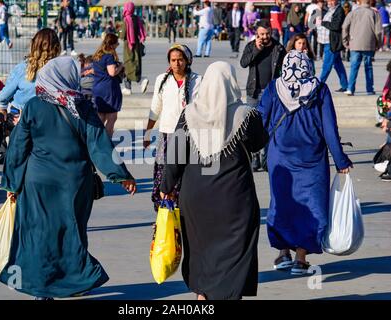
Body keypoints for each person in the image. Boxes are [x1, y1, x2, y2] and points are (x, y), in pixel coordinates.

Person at [0, 56, 136, 300]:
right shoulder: (82, 108)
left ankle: (43, 290)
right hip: (74, 185)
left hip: (38, 185)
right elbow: (100, 145)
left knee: (39, 236)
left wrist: (12, 183)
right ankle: (75, 282)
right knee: (71, 233)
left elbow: (18, 148)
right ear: (68, 78)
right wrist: (121, 175)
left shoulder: (33, 106)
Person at [160, 61, 268, 300]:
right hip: (234, 198)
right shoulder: (246, 114)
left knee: (200, 249)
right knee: (236, 250)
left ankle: (203, 296)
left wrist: (166, 187)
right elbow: (259, 142)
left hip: (195, 196)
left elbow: (175, 156)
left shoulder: (189, 113)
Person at [257, 51, 352, 275]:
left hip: (280, 158)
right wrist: (340, 159)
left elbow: (260, 120)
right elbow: (329, 129)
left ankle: (282, 253)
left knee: (282, 204)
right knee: (312, 206)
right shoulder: (319, 89)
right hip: (312, 159)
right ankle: (301, 257)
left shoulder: (274, 88)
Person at [143, 44, 201, 212]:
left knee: (185, 173)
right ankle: (163, 209)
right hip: (166, 135)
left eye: (180, 60)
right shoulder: (162, 79)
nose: (177, 64)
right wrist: (147, 133)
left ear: (188, 61)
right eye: (173, 60)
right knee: (163, 171)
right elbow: (155, 108)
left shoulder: (198, 80)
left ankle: (183, 208)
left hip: (189, 136)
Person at [240, 20, 286, 171]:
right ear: (256, 34)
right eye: (261, 34)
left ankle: (266, 159)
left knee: (268, 127)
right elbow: (243, 63)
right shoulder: (251, 46)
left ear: (271, 32)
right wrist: (257, 49)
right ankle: (255, 158)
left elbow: (285, 68)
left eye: (267, 33)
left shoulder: (278, 48)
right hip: (254, 91)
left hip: (271, 93)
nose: (265, 37)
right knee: (253, 126)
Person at [0, 28, 61, 122]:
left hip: (21, 117)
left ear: (34, 45)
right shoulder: (60, 70)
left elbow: (5, 94)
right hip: (51, 119)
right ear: (57, 47)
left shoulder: (23, 68)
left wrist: (1, 105)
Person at [343, 0, 383, 96]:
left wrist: (345, 41)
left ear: (359, 2)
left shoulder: (353, 13)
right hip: (369, 44)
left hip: (354, 43)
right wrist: (378, 44)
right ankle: (369, 89)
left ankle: (350, 88)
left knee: (354, 67)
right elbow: (378, 31)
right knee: (368, 67)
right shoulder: (374, 13)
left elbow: (345, 27)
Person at [91, 33, 125, 137]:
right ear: (112, 44)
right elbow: (112, 72)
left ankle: (96, 140)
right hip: (109, 90)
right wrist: (121, 66)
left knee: (101, 117)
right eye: (117, 43)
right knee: (112, 117)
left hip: (98, 89)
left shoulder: (97, 55)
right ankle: (107, 141)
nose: (117, 45)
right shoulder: (109, 56)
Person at [318, 0, 349, 93]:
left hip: (332, 43)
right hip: (327, 42)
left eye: (331, 0)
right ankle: (345, 85)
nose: (329, 2)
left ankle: (319, 86)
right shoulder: (330, 10)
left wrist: (322, 23)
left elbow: (336, 26)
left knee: (326, 65)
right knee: (338, 65)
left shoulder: (339, 11)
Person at [120, 1, 149, 96]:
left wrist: (119, 33)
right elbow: (141, 31)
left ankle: (138, 82)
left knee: (127, 65)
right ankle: (132, 85)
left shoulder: (126, 20)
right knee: (134, 65)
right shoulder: (137, 18)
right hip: (136, 44)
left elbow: (123, 34)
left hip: (128, 46)